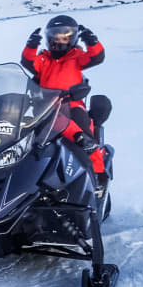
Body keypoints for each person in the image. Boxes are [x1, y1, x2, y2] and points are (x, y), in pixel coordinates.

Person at [21, 14, 107, 186]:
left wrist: (92, 41)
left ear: (72, 38)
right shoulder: (44, 58)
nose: (59, 41)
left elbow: (96, 57)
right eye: (55, 36)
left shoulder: (76, 57)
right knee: (21, 134)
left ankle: (97, 174)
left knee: (83, 136)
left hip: (71, 104)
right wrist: (31, 46)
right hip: (44, 106)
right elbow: (28, 62)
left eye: (64, 37)